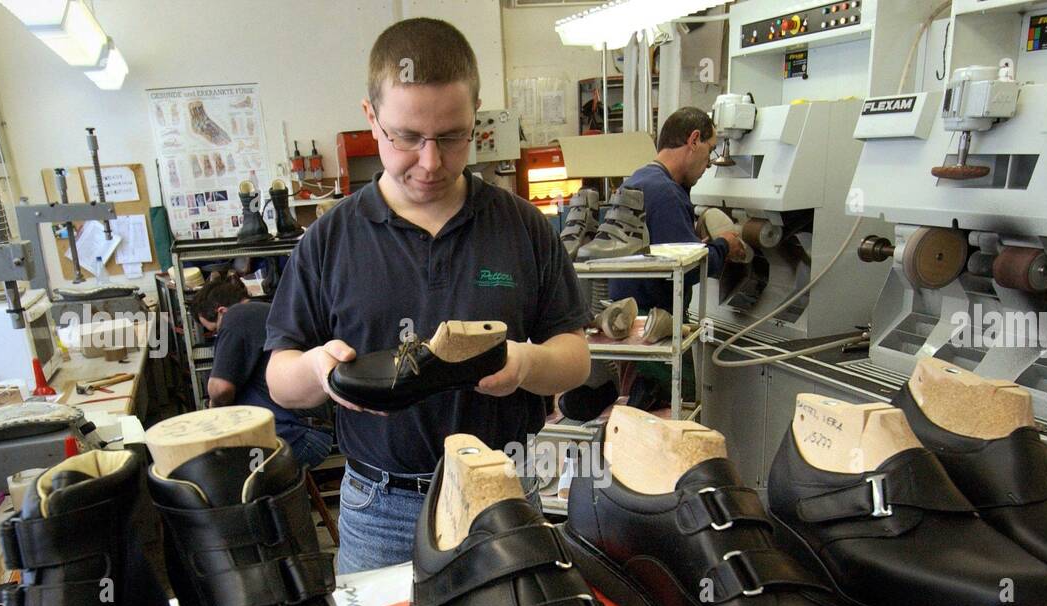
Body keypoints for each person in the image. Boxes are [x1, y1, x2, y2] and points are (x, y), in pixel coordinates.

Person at [265, 18, 590, 573]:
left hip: (503, 493)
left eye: (452, 136)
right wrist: (320, 370)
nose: (431, 161)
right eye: (408, 137)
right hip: (380, 507)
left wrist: (524, 362)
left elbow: (575, 358)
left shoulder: (522, 226)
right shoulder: (330, 238)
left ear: (476, 115)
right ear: (371, 118)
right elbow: (280, 375)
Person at [604, 107, 744, 408]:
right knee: (670, 415)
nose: (708, 163)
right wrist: (723, 246)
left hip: (632, 325)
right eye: (709, 150)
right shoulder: (666, 192)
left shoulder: (639, 179)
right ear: (693, 140)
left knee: (639, 418)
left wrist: (696, 243)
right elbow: (687, 270)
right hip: (655, 330)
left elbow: (664, 251)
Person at [193, 271, 333, 469]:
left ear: (221, 311)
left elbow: (220, 389)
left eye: (215, 330)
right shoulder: (270, 313)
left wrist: (214, 419)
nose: (219, 336)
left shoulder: (236, 315)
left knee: (218, 473)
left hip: (294, 434)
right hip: (310, 433)